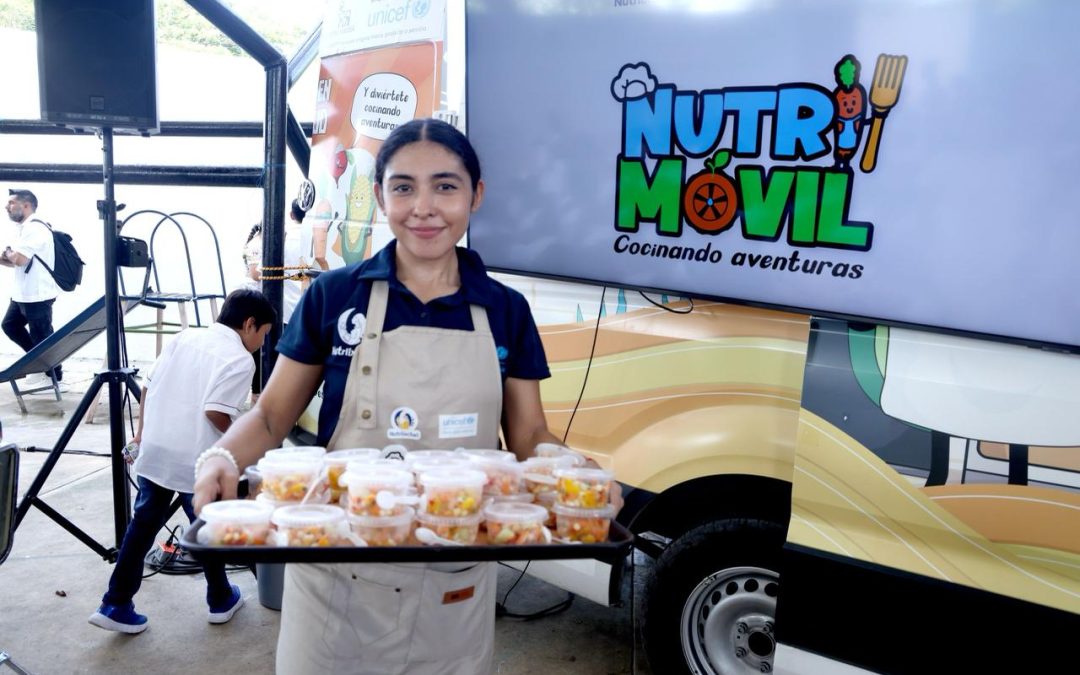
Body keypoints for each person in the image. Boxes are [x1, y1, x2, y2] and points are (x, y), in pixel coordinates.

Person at [193, 118, 585, 673]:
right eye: (403, 187)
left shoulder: (506, 310)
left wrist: (567, 467)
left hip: (454, 570)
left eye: (445, 186)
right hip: (337, 564)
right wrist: (223, 456)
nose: (423, 207)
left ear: (476, 194)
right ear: (379, 196)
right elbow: (271, 413)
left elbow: (528, 436)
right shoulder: (334, 295)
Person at [89, 288, 276, 634]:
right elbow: (216, 412)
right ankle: (220, 600)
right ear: (249, 324)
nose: (262, 344)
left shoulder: (185, 336)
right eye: (263, 334)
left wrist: (141, 435)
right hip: (195, 460)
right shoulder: (239, 359)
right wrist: (249, 443)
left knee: (142, 526)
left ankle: (114, 602)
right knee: (209, 527)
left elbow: (147, 386)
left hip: (157, 450)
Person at [1, 189, 62, 387]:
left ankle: (51, 375)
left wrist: (9, 252)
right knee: (10, 326)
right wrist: (8, 255)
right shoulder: (24, 228)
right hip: (22, 294)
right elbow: (16, 261)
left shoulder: (35, 228)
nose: (6, 207)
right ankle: (39, 365)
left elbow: (18, 259)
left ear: (26, 205)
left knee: (42, 336)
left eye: (11, 203)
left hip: (38, 294)